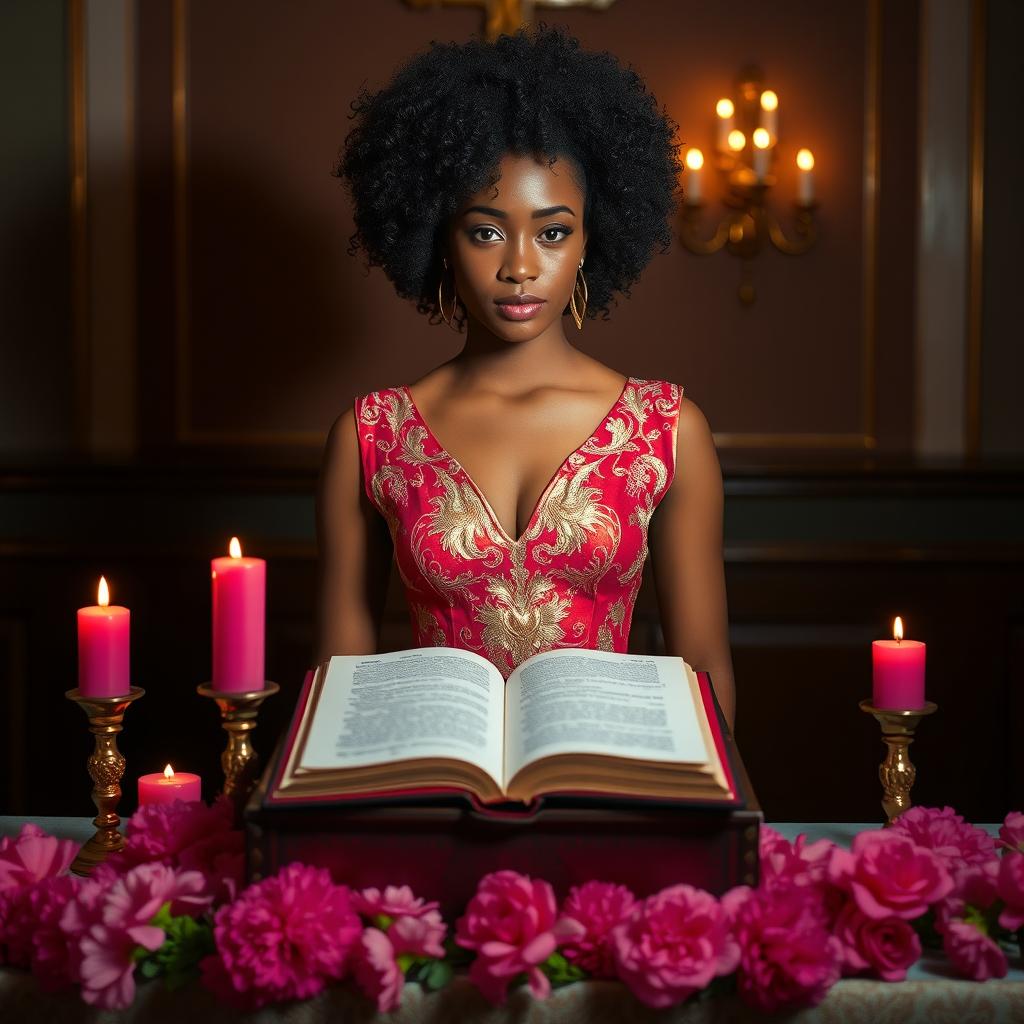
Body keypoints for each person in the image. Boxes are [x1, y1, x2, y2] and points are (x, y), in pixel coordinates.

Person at [316, 25, 735, 726]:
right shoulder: (371, 436)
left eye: (551, 231)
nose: (519, 266)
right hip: (435, 793)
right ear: (439, 239)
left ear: (589, 241)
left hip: (608, 794)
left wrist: (717, 827)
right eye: (485, 231)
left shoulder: (667, 431)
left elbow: (706, 673)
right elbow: (339, 689)